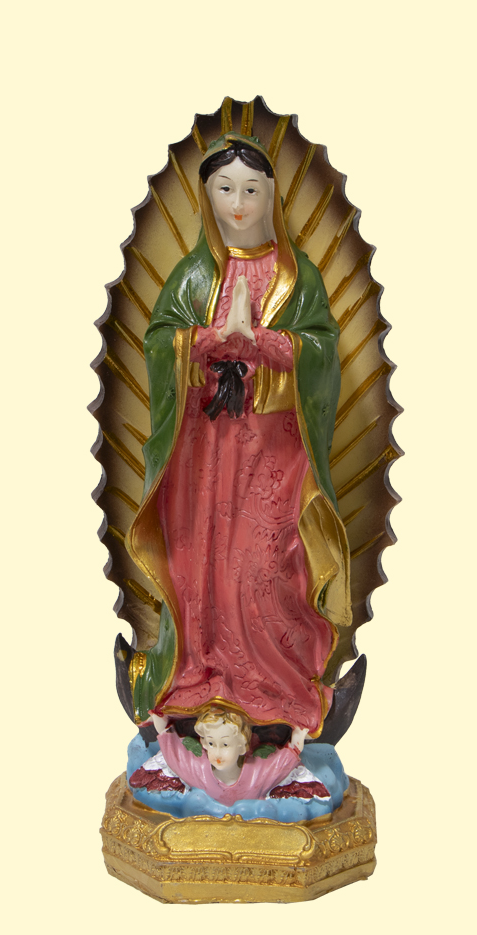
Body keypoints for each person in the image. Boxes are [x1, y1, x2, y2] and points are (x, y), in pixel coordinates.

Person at [126, 133, 351, 741]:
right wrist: (202, 342)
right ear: (207, 197)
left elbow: (322, 352)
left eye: (252, 190)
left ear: (272, 195)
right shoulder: (194, 276)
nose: (239, 204)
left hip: (273, 448)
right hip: (204, 450)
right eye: (226, 189)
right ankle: (199, 675)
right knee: (202, 562)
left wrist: (268, 344)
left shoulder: (295, 278)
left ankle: (276, 684)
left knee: (264, 564)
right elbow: (159, 342)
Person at [149, 708, 306, 807]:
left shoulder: (257, 775)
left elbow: (281, 763)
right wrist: (160, 722)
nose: (217, 753)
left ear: (241, 746)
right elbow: (176, 755)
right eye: (211, 744)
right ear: (204, 744)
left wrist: (299, 736)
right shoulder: (199, 772)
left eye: (225, 745)